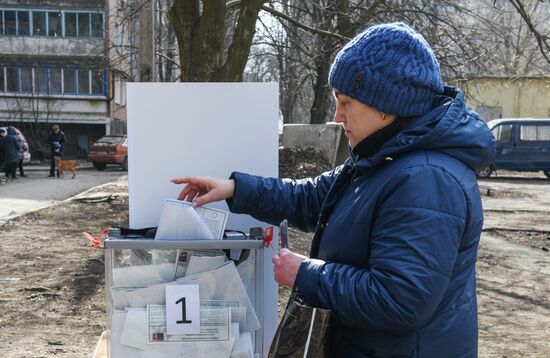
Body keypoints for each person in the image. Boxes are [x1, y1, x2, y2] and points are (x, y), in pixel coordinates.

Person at [171, 23, 496, 357]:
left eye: (347, 102)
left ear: (387, 105)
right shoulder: (384, 157)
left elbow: (398, 300)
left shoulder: (427, 179)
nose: (337, 115)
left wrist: (304, 273)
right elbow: (312, 197)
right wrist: (235, 188)